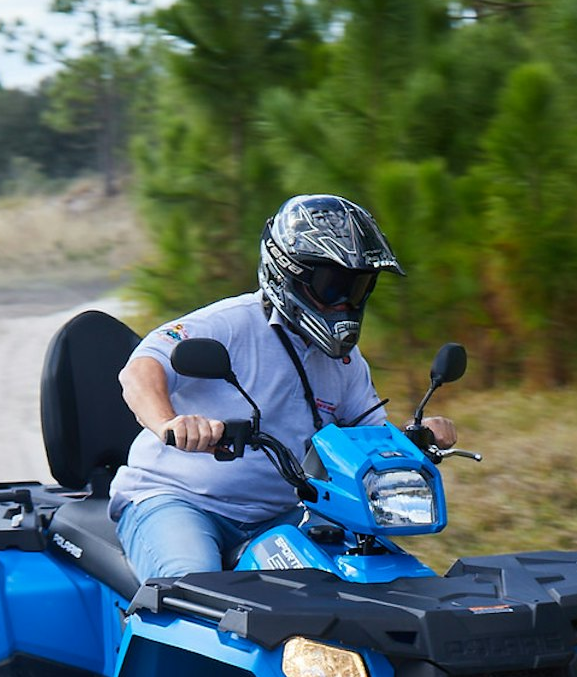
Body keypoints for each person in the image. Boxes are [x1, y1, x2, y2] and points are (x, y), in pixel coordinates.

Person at [108, 193, 457, 582]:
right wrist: (168, 422)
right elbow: (140, 370)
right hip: (178, 500)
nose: (344, 304)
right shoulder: (228, 324)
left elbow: (368, 437)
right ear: (289, 274)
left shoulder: (345, 361)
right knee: (192, 589)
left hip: (283, 514)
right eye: (332, 287)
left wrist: (414, 438)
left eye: (356, 289)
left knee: (366, 577)